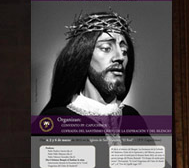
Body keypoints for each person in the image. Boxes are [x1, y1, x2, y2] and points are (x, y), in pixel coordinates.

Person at [40, 10, 148, 140]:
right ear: (84, 56)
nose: (120, 57)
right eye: (106, 48)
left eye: (124, 51)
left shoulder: (131, 117)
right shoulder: (55, 121)